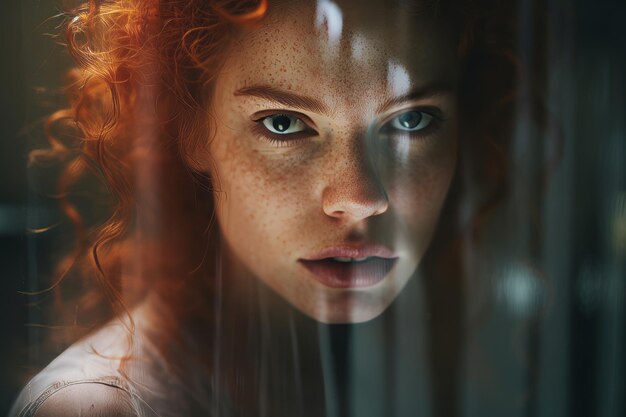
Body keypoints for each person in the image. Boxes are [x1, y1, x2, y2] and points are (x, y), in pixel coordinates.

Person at [10, 0, 521, 416]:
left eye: (411, 121)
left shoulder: (432, 371)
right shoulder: (100, 408)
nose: (360, 199)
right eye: (284, 123)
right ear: (191, 128)